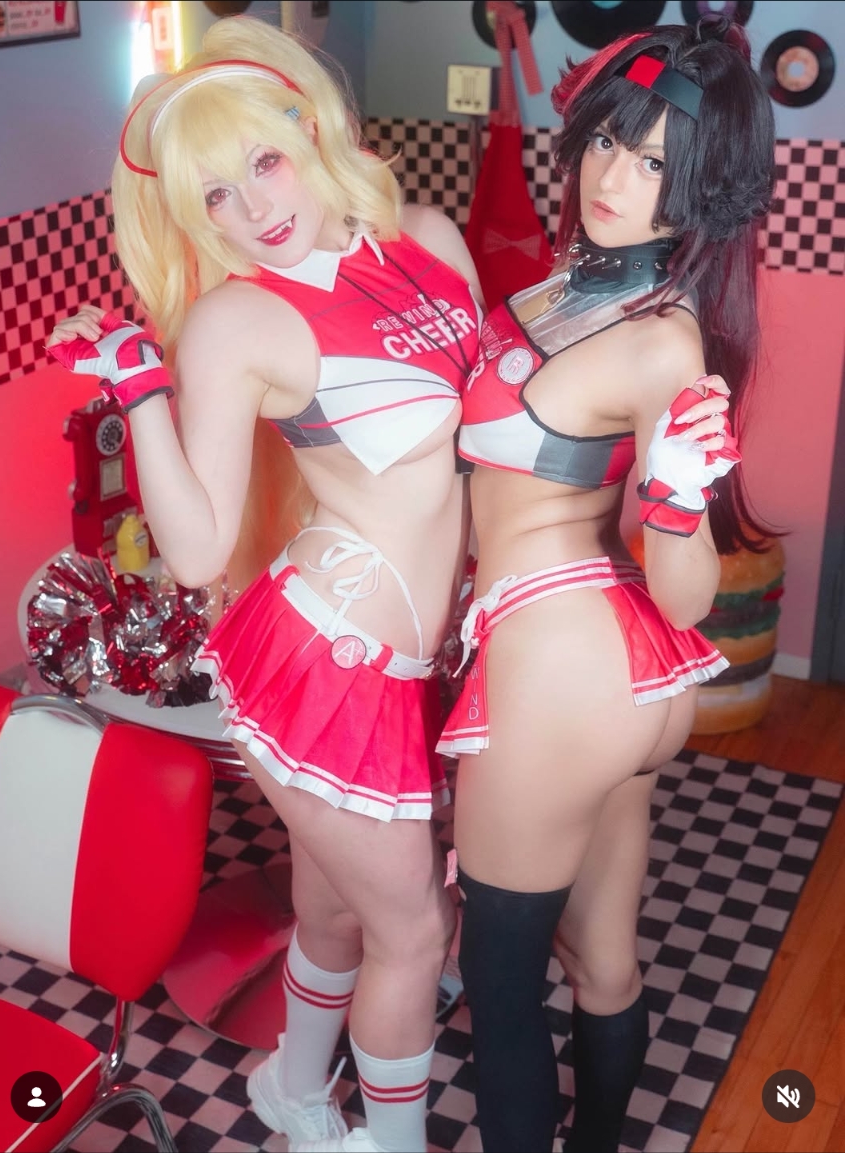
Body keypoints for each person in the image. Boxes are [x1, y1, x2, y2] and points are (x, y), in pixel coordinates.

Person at [46, 16, 485, 1153]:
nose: (253, 207)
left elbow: (484, 438)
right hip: (321, 662)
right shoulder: (238, 319)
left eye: (264, 163)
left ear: (310, 129)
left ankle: (292, 1088)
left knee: (335, 908)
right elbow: (196, 552)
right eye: (217, 196)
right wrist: (140, 386)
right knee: (416, 931)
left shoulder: (428, 236)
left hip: (404, 655)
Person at [437, 16, 775, 1153]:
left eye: (655, 164)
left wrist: (675, 501)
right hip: (604, 673)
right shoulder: (571, 285)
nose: (613, 180)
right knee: (605, 958)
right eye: (609, 143)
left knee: (499, 985)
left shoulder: (663, 342)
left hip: (565, 669)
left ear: (703, 189)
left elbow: (686, 594)